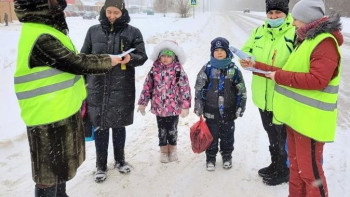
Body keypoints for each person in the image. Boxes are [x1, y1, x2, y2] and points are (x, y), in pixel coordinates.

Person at [13, 0, 125, 196]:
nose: (60, 5)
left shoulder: (47, 30)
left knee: (59, 171)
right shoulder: (41, 36)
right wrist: (109, 60)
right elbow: (75, 62)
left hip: (58, 110)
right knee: (48, 178)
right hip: (46, 116)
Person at [265, 0, 343, 196]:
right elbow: (294, 71)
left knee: (310, 174)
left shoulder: (324, 42)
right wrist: (259, 67)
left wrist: (280, 77)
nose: (293, 23)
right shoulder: (306, 39)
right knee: (296, 169)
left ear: (308, 19)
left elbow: (318, 80)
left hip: (309, 123)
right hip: (297, 120)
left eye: (296, 18)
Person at [80, 0, 148, 183]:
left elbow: (142, 55)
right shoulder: (93, 31)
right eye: (109, 11)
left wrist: (129, 58)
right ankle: (100, 166)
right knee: (100, 127)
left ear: (122, 11)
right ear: (104, 10)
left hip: (121, 86)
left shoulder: (132, 32)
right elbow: (83, 57)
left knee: (119, 125)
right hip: (97, 86)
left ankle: (120, 160)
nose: (111, 16)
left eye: (116, 13)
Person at [240, 0, 296, 185]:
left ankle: (284, 170)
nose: (273, 17)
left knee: (281, 136)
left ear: (286, 13)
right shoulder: (258, 32)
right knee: (271, 133)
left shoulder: (294, 33)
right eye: (270, 13)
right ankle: (275, 164)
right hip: (262, 96)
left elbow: (296, 66)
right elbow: (247, 50)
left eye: (277, 13)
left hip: (281, 95)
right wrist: (246, 60)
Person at [194, 37, 247, 171]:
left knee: (227, 136)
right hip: (211, 110)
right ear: (212, 52)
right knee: (211, 136)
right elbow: (199, 88)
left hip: (229, 110)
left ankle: (227, 156)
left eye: (222, 50)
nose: (219, 53)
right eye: (216, 50)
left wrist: (241, 106)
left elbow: (241, 89)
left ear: (227, 51)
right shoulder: (207, 68)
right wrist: (199, 106)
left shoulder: (234, 69)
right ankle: (210, 157)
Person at [137, 40, 191, 163]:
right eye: (163, 56)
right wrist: (143, 102)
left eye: (168, 56)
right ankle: (163, 151)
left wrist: (185, 106)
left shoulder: (178, 70)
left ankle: (172, 149)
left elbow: (185, 88)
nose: (165, 59)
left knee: (172, 129)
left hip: (173, 107)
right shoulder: (154, 70)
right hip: (159, 107)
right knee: (161, 130)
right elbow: (147, 87)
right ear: (159, 57)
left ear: (174, 57)